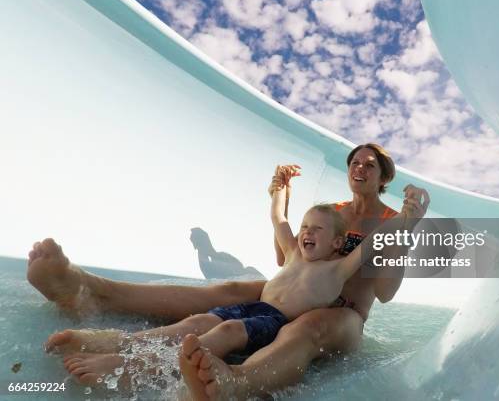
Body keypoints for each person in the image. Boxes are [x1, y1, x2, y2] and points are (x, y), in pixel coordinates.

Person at [28, 143, 430, 398]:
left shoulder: (393, 221)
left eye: (370, 164)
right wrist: (279, 193)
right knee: (228, 291)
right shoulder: (332, 214)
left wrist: (408, 226)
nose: (359, 168)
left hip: (342, 312)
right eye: (354, 162)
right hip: (291, 296)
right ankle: (91, 291)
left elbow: (387, 291)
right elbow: (286, 255)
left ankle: (239, 382)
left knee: (305, 328)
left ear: (384, 176)